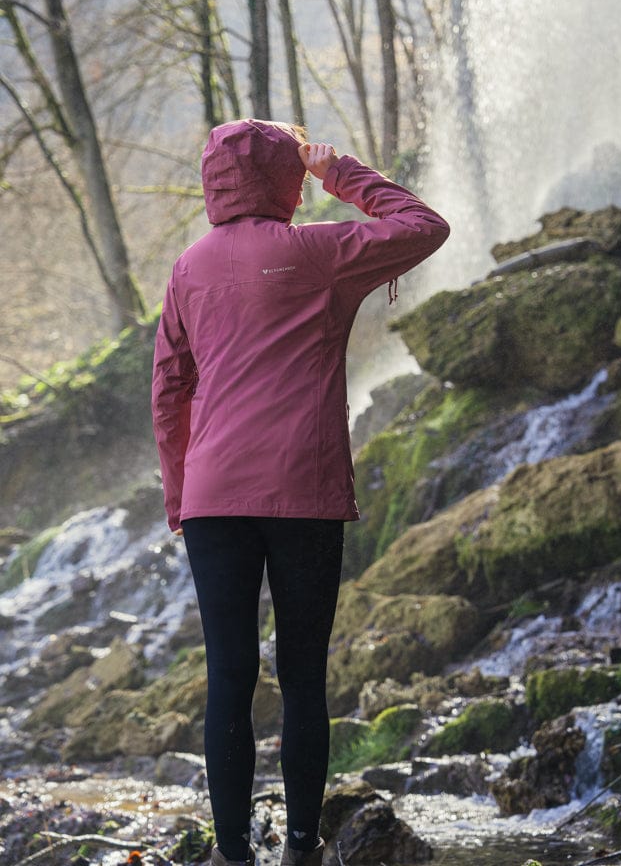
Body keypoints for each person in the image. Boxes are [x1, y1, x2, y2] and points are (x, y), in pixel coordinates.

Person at [151, 119, 450, 866]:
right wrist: (337, 169)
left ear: (212, 177)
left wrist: (178, 496)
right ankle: (300, 848)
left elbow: (168, 391)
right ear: (286, 175)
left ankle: (228, 854)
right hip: (305, 490)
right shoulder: (320, 252)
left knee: (229, 672)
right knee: (302, 674)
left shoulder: (189, 266)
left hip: (214, 495)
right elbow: (423, 225)